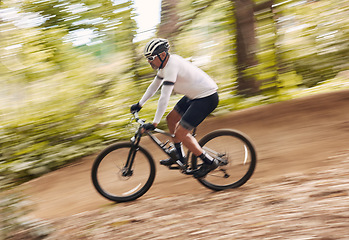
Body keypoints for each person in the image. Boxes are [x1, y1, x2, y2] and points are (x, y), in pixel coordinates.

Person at [130, 38, 219, 178]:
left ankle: (209, 162)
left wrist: (154, 123)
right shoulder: (165, 66)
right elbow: (154, 86)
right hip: (194, 96)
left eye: (151, 58)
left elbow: (164, 97)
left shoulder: (172, 66)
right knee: (171, 119)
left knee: (180, 133)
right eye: (147, 58)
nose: (149, 61)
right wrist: (139, 104)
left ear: (163, 55)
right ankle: (180, 156)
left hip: (206, 98)